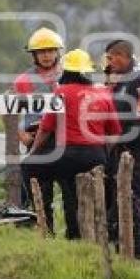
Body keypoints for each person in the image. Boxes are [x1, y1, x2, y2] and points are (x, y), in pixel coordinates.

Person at [30, 49, 121, 239]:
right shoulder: (103, 94)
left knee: (65, 192)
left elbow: (46, 128)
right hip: (96, 155)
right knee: (96, 198)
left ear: (67, 72)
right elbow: (114, 133)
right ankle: (98, 239)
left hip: (67, 156)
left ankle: (61, 231)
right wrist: (103, 154)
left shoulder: (61, 92)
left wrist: (33, 151)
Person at [103, 39, 140, 257]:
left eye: (111, 58)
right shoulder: (118, 78)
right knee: (119, 194)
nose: (110, 63)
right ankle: (123, 244)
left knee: (135, 195)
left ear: (122, 55)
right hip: (118, 146)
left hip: (134, 146)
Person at [14, 27, 63, 209]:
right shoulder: (23, 81)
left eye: (50, 50)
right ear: (34, 55)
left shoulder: (67, 75)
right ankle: (39, 231)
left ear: (57, 52)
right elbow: (10, 113)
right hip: (36, 141)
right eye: (41, 52)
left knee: (70, 191)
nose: (46, 55)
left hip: (64, 140)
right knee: (38, 193)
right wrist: (22, 136)